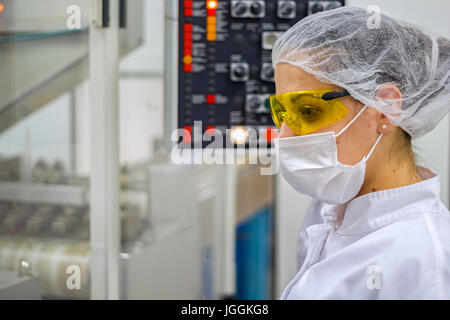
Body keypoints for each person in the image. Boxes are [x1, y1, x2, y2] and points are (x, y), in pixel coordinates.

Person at [270, 6, 450, 299]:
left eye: (308, 111)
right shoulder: (334, 216)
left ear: (385, 107)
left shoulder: (424, 263)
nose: (284, 136)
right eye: (281, 113)